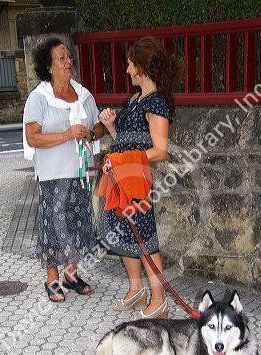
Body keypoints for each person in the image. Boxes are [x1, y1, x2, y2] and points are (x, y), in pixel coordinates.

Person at [98, 36, 180, 319]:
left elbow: (160, 150)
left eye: (130, 64)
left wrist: (124, 161)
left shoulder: (156, 102)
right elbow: (124, 141)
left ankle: (159, 300)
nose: (127, 70)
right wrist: (110, 127)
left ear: (142, 67)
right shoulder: (135, 100)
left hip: (137, 181)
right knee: (121, 233)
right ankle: (137, 290)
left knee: (145, 238)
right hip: (120, 179)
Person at [23, 38, 104, 302]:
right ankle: (51, 279)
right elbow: (33, 137)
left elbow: (99, 126)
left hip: (80, 173)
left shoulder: (83, 95)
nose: (69, 62)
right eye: (61, 58)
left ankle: (71, 274)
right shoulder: (39, 98)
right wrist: (67, 134)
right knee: (54, 226)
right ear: (49, 65)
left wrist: (91, 133)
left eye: (69, 57)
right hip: (52, 175)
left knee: (80, 223)